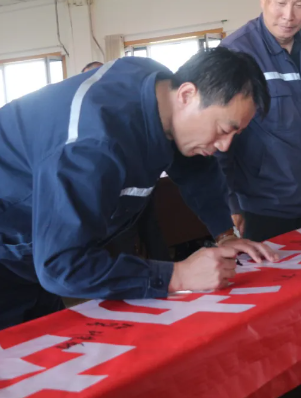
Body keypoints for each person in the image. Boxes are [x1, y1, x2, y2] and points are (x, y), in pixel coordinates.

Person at [0, 48, 278, 331]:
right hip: (11, 246)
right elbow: (61, 265)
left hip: (35, 249)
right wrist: (178, 276)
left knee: (46, 338)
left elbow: (196, 169)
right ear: (186, 95)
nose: (224, 146)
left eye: (235, 134)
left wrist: (225, 234)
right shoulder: (94, 145)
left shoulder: (160, 91)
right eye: (223, 129)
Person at [218, 0, 301, 242]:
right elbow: (218, 138)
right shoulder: (236, 53)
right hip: (262, 207)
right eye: (280, 3)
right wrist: (230, 204)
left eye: (300, 5)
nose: (289, 16)